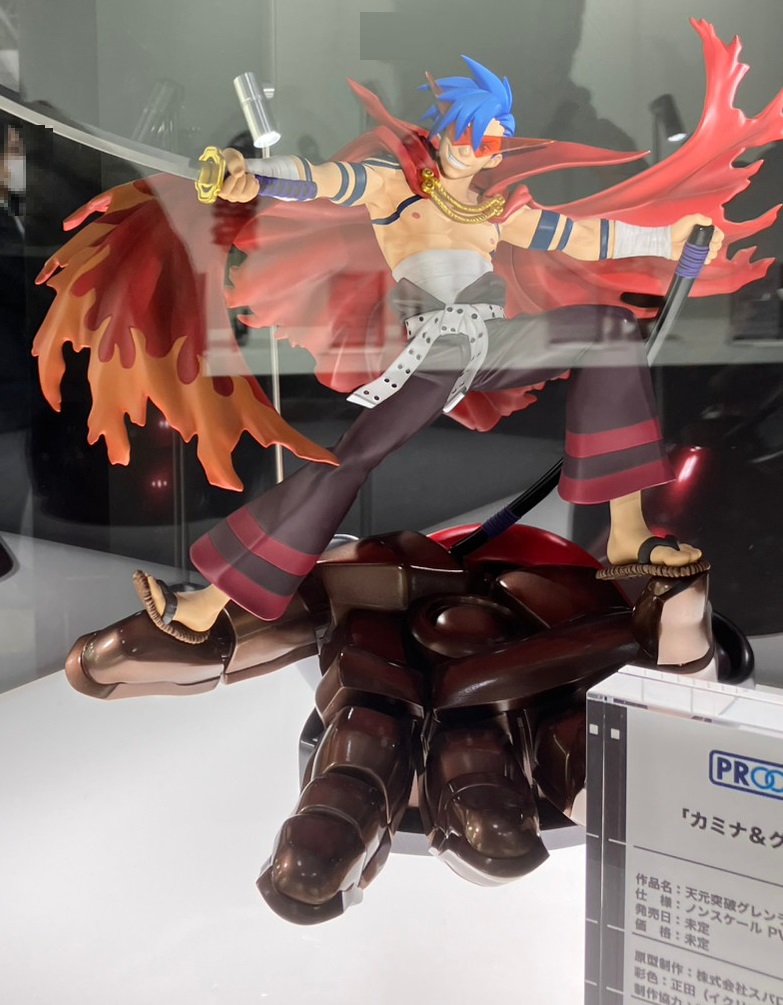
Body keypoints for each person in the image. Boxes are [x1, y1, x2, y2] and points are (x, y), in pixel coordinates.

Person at [131, 56, 723, 643]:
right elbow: (319, 178)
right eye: (466, 133)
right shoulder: (394, 189)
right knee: (350, 461)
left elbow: (587, 236)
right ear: (443, 134)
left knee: (610, 330)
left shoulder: (497, 212)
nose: (473, 148)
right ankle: (208, 603)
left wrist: (666, 238)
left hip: (492, 344)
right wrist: (252, 173)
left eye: (489, 142)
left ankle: (627, 530)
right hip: (436, 354)